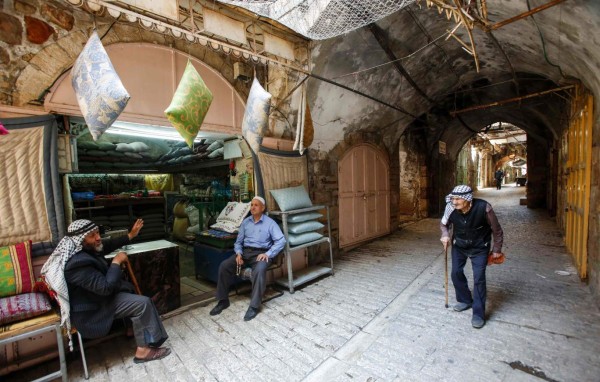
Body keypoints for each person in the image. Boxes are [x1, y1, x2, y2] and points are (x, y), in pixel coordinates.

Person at [41, 219, 170, 363]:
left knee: (128, 288)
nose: (98, 238)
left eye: (97, 233)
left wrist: (131, 235)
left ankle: (130, 329)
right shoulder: (76, 263)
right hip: (91, 311)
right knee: (143, 303)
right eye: (92, 235)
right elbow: (105, 288)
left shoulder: (86, 249)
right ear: (80, 240)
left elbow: (106, 245)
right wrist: (116, 262)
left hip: (95, 299)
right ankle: (143, 351)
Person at [210, 196, 286, 321]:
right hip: (245, 253)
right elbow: (238, 242)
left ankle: (254, 306)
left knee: (259, 270)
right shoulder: (246, 222)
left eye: (256, 205)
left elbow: (281, 241)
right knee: (224, 266)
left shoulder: (270, 223)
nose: (253, 207)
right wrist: (239, 253)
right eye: (251, 205)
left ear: (262, 208)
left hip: (261, 254)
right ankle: (223, 301)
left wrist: (268, 254)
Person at [439, 185, 504, 329]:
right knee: (455, 272)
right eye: (453, 198)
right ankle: (465, 300)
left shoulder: (484, 208)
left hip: (480, 247)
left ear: (468, 199)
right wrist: (445, 235)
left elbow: (497, 230)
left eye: (458, 199)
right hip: (459, 246)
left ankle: (478, 313)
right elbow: (444, 225)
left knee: (479, 278)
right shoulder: (451, 208)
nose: (454, 202)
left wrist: (497, 249)